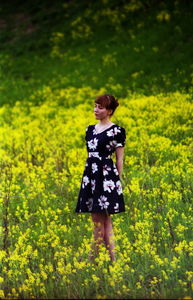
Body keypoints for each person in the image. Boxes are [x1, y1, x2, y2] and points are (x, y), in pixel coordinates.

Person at [75, 94, 126, 262]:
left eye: (100, 107)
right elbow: (91, 156)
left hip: (107, 178)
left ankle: (91, 261)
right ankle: (114, 261)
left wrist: (117, 183)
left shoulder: (117, 131)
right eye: (95, 106)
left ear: (109, 111)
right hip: (91, 176)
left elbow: (119, 160)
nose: (96, 110)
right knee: (105, 222)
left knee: (99, 221)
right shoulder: (89, 130)